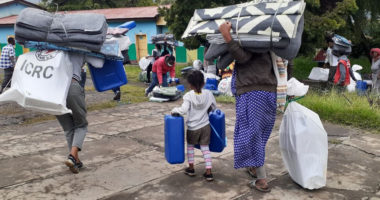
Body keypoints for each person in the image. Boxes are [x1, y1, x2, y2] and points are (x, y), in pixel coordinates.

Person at [219, 22, 277, 192]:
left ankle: (262, 180)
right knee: (260, 133)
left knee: (250, 135)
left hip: (252, 92)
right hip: (269, 91)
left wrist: (226, 36)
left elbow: (243, 57)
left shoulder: (252, 39)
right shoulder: (270, 40)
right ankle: (254, 167)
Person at [171, 70, 217, 181]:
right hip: (206, 126)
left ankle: (191, 169)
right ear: (203, 83)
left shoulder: (188, 96)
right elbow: (214, 107)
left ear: (190, 85)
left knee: (190, 147)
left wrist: (174, 110)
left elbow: (183, 110)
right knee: (205, 148)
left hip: (193, 127)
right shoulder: (209, 94)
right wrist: (207, 110)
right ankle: (209, 172)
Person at [56, 52, 89, 174]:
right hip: (72, 86)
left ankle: (76, 161)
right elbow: (98, 64)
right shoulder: (80, 48)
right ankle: (72, 156)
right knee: (81, 124)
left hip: (53, 92)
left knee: (68, 128)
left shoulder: (50, 50)